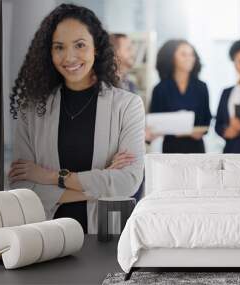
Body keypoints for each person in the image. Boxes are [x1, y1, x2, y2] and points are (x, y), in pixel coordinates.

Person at [8, 4, 145, 233]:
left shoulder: (127, 106)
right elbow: (22, 186)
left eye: (80, 45)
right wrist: (99, 184)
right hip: (45, 236)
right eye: (59, 47)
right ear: (49, 53)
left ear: (97, 49)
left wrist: (50, 177)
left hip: (105, 236)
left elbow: (127, 182)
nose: (69, 57)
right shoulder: (31, 109)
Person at [148, 39, 212, 153]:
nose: (189, 58)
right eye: (183, 54)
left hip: (196, 148)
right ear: (172, 58)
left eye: (191, 54)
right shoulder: (160, 89)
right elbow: (154, 122)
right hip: (171, 148)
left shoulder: (201, 87)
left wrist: (180, 129)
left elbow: (206, 120)